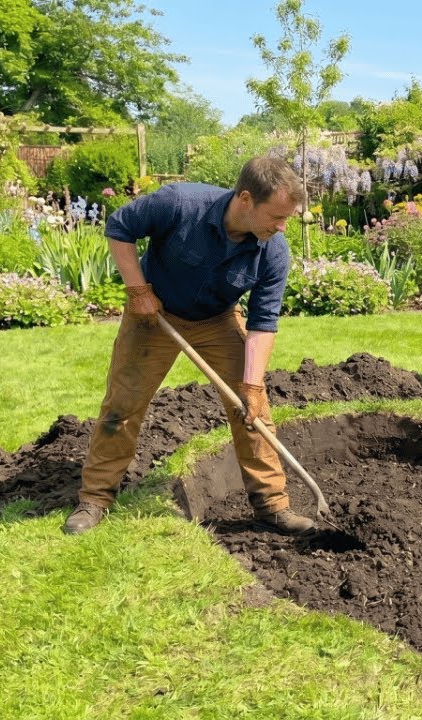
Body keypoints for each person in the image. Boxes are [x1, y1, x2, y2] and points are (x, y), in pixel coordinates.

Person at [63, 155, 314, 536]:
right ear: (245, 199)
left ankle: (272, 506)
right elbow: (120, 227)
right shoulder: (180, 203)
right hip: (153, 313)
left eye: (287, 220)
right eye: (276, 217)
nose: (281, 228)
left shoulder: (273, 250)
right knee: (122, 407)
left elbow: (264, 322)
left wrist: (252, 384)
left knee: (253, 410)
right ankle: (95, 499)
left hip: (217, 320)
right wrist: (137, 290)